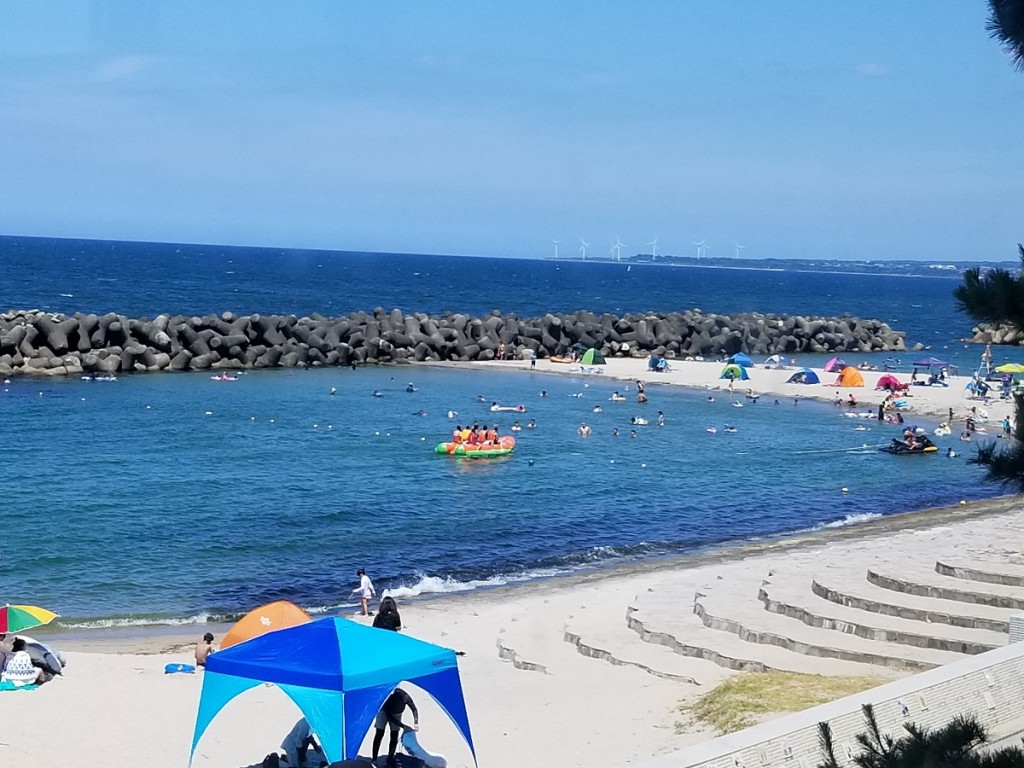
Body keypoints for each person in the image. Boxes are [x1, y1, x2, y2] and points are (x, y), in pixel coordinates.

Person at [372, 687, 419, 767]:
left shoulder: (406, 697)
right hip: (384, 711)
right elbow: (389, 716)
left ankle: (390, 759)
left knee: (394, 735)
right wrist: (403, 726)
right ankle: (374, 759)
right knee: (379, 733)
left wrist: (416, 722)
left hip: (396, 713)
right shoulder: (390, 698)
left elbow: (414, 709)